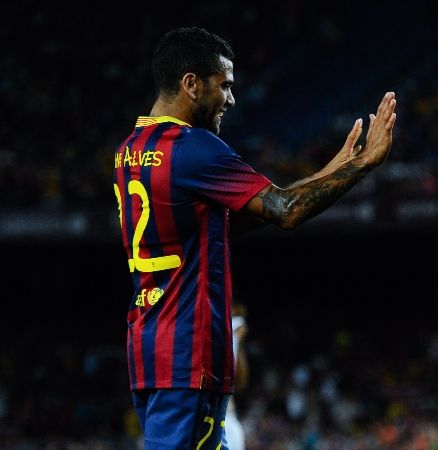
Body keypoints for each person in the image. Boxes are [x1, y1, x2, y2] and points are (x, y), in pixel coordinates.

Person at [112, 27, 396, 449]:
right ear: (191, 83)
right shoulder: (193, 148)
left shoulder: (129, 150)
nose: (230, 99)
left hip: (151, 351)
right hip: (189, 356)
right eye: (224, 85)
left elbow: (231, 222)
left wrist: (333, 169)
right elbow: (286, 209)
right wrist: (363, 165)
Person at [224, 303, 249, 450]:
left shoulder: (236, 334)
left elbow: (241, 381)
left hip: (228, 417)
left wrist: (237, 340)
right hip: (210, 417)